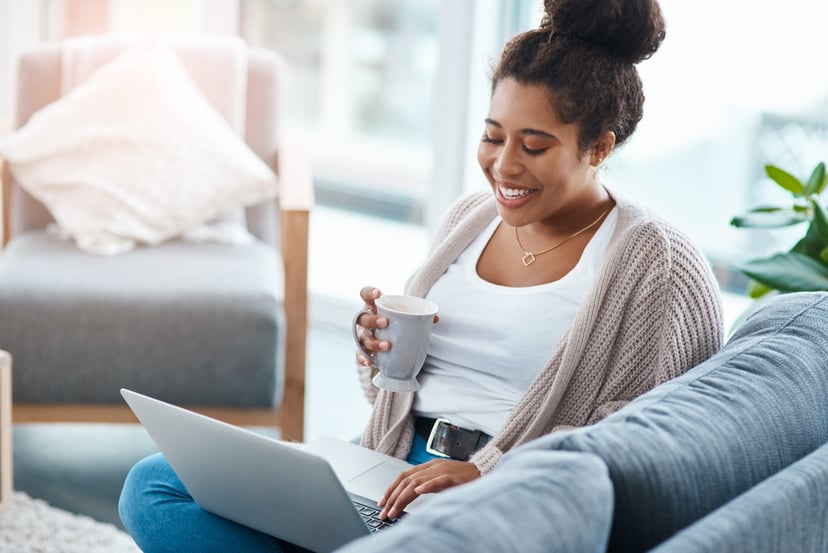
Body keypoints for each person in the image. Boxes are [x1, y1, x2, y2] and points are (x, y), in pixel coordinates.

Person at [118, 0, 724, 551]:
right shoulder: (470, 219)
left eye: (534, 147)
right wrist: (377, 354)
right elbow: (400, 387)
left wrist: (488, 474)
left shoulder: (653, 262)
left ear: (598, 147)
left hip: (505, 494)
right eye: (492, 137)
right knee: (154, 486)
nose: (503, 165)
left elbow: (645, 445)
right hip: (384, 463)